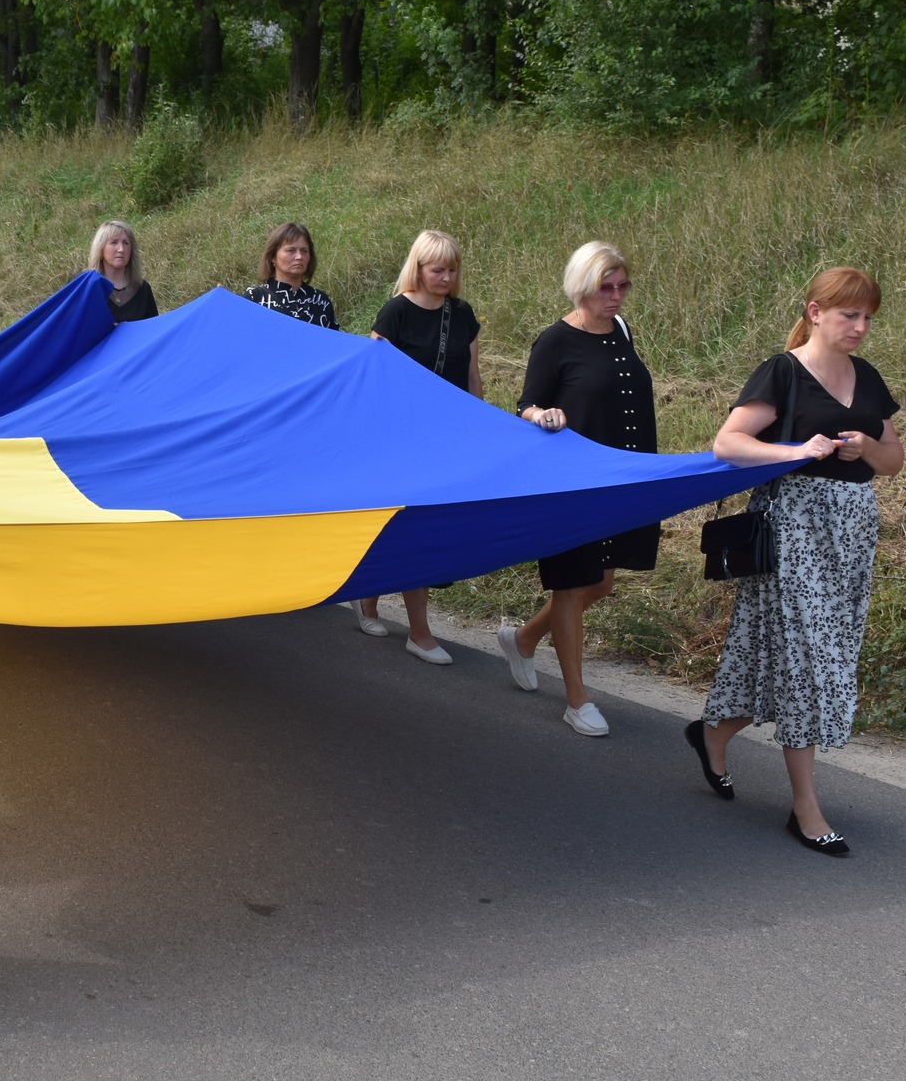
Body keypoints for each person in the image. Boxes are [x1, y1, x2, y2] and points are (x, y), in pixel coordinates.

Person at [690, 267, 905, 858]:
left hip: (853, 531)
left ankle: (711, 732)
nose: (860, 327)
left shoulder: (867, 378)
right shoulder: (782, 371)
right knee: (811, 661)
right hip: (795, 527)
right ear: (815, 312)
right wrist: (795, 450)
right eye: (848, 316)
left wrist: (869, 448)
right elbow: (728, 443)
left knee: (782, 652)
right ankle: (805, 809)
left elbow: (894, 461)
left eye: (867, 318)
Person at [500, 242, 658, 737]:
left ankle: (523, 639)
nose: (615, 296)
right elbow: (527, 402)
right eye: (604, 287)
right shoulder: (555, 340)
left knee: (601, 583)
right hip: (573, 482)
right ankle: (576, 699)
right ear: (581, 287)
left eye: (622, 286)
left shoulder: (623, 332)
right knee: (571, 585)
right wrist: (542, 415)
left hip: (621, 478)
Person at [357, 230, 481, 664]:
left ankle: (377, 600)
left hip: (446, 438)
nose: (446, 277)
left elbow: (472, 376)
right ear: (419, 268)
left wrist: (478, 425)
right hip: (401, 438)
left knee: (427, 525)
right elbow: (372, 379)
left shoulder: (462, 314)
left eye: (452, 269)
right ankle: (415, 629)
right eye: (437, 269)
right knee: (404, 522)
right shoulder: (395, 312)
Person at [243, 223, 337, 328]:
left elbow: (333, 342)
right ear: (273, 256)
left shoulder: (321, 301)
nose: (299, 256)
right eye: (291, 250)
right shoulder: (254, 298)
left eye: (304, 251)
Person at [90, 220, 156, 322]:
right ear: (101, 250)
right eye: (114, 242)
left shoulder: (143, 289)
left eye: (126, 243)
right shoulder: (89, 289)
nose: (121, 249)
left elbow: (154, 330)